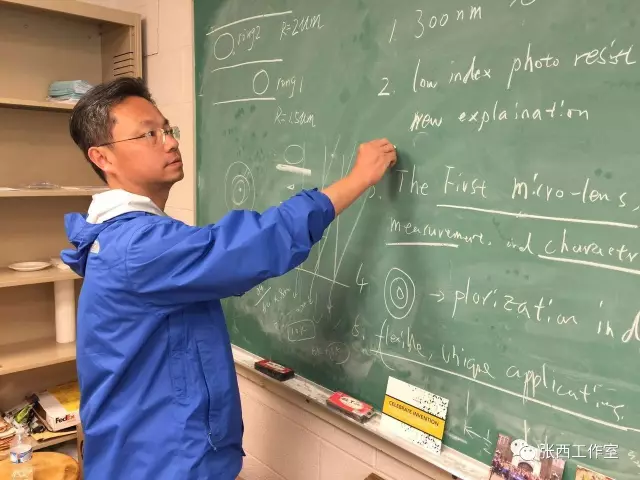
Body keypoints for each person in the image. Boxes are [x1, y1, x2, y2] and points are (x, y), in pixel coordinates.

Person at [61, 77, 397, 480]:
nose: (170, 142)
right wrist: (359, 178)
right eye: (148, 134)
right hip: (161, 465)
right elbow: (254, 244)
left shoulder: (117, 237)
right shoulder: (137, 246)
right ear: (102, 157)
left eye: (168, 129)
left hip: (147, 454)